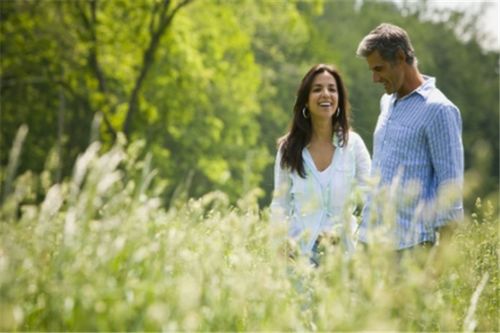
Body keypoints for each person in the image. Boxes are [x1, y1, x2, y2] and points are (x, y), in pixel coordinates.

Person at [356, 23, 464, 251]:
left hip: (409, 248)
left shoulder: (439, 110)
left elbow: (450, 189)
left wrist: (440, 260)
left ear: (400, 57)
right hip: (369, 243)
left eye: (379, 69)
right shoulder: (387, 102)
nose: (375, 78)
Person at [270, 64, 371, 264]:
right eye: (317, 89)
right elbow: (280, 204)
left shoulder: (354, 145)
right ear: (305, 101)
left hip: (344, 257)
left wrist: (365, 242)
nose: (326, 94)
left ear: (339, 99)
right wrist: (280, 246)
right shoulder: (288, 149)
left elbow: (373, 196)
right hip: (299, 256)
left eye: (332, 89)